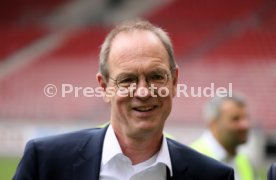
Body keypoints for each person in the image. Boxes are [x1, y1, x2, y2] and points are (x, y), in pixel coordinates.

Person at [13, 19, 234, 180]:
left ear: (174, 82)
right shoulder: (45, 163)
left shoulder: (213, 176)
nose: (143, 92)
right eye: (127, 80)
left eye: (156, 77)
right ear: (104, 87)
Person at [191, 94, 255, 180]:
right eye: (235, 119)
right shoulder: (194, 159)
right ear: (213, 124)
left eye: (246, 118)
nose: (245, 125)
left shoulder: (243, 160)